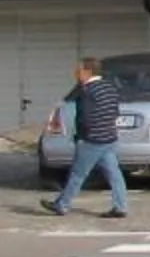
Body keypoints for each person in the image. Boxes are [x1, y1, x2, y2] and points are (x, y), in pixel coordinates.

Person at [42, 59, 129, 220]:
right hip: (109, 138)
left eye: (78, 70)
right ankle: (121, 206)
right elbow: (115, 112)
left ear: (87, 72)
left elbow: (85, 117)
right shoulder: (110, 87)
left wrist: (81, 136)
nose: (75, 73)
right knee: (114, 173)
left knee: (78, 174)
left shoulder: (86, 91)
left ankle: (62, 205)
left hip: (92, 140)